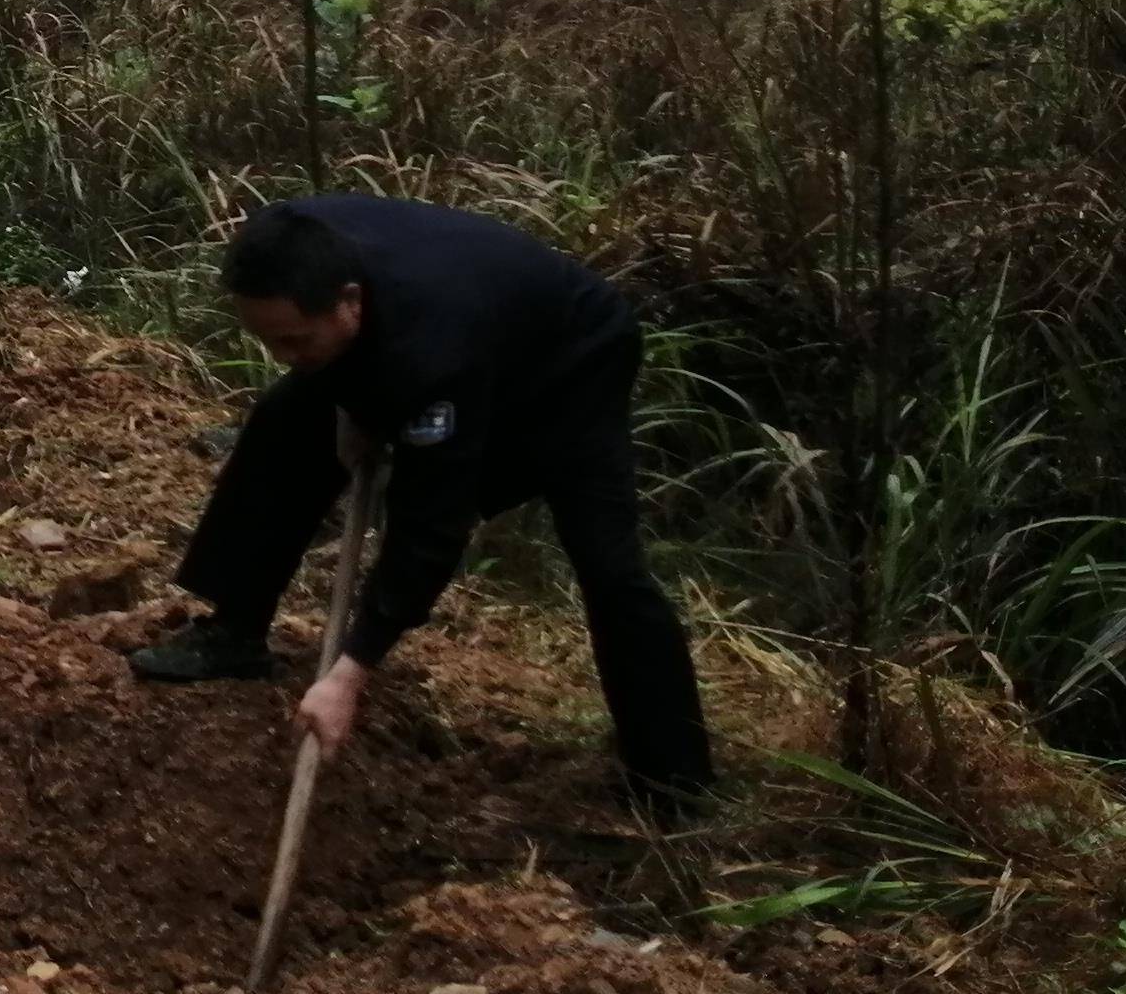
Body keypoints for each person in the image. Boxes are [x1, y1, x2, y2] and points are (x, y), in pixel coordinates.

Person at [130, 195, 714, 811]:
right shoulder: (286, 243)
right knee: (284, 419)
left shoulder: (432, 350)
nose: (282, 355)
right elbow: (339, 360)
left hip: (570, 364)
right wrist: (348, 401)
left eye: (295, 339)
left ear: (349, 300)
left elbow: (430, 526)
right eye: (267, 339)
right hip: (458, 319)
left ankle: (672, 781)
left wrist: (349, 674)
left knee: (607, 563)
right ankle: (234, 632)